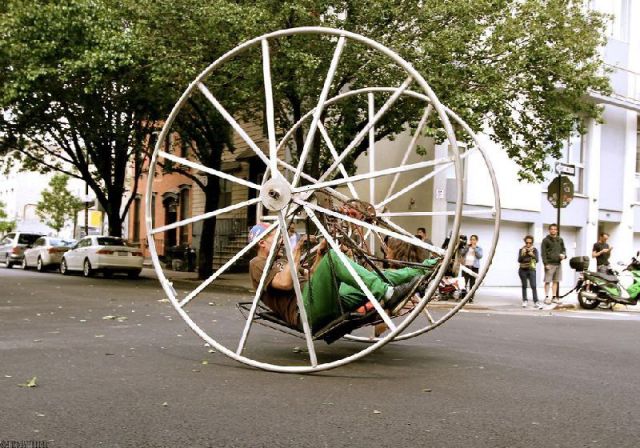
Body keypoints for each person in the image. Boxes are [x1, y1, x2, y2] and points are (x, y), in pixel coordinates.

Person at [248, 223, 435, 332]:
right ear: (262, 242)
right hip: (304, 311)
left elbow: (312, 276)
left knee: (373, 275)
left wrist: (320, 254)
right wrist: (295, 250)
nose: (282, 239)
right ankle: (387, 292)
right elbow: (285, 283)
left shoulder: (281, 260)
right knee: (334, 258)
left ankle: (426, 268)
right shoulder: (257, 263)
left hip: (319, 299)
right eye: (276, 236)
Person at [541, 223, 566, 304]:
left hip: (558, 263)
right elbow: (543, 253)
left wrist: (564, 255)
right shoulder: (545, 240)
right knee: (547, 281)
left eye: (555, 229)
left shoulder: (560, 240)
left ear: (557, 231)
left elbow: (563, 250)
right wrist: (545, 263)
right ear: (549, 230)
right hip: (549, 264)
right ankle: (546, 297)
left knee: (556, 281)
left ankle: (554, 297)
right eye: (551, 229)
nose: (553, 230)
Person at [518, 235, 542, 309]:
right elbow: (519, 260)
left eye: (530, 243)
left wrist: (532, 255)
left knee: (533, 286)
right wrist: (523, 254)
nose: (528, 244)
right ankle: (525, 300)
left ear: (532, 243)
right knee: (524, 285)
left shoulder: (534, 250)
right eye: (527, 242)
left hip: (531, 269)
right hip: (523, 269)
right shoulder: (521, 249)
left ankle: (536, 301)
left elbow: (537, 260)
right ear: (525, 242)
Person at [458, 234, 483, 302]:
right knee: (464, 283)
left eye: (474, 239)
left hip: (474, 267)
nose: (472, 241)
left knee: (472, 284)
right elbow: (462, 254)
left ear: (477, 241)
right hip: (466, 267)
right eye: (471, 239)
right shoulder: (467, 247)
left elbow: (480, 256)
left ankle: (471, 298)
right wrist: (466, 248)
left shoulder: (479, 248)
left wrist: (475, 249)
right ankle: (463, 297)